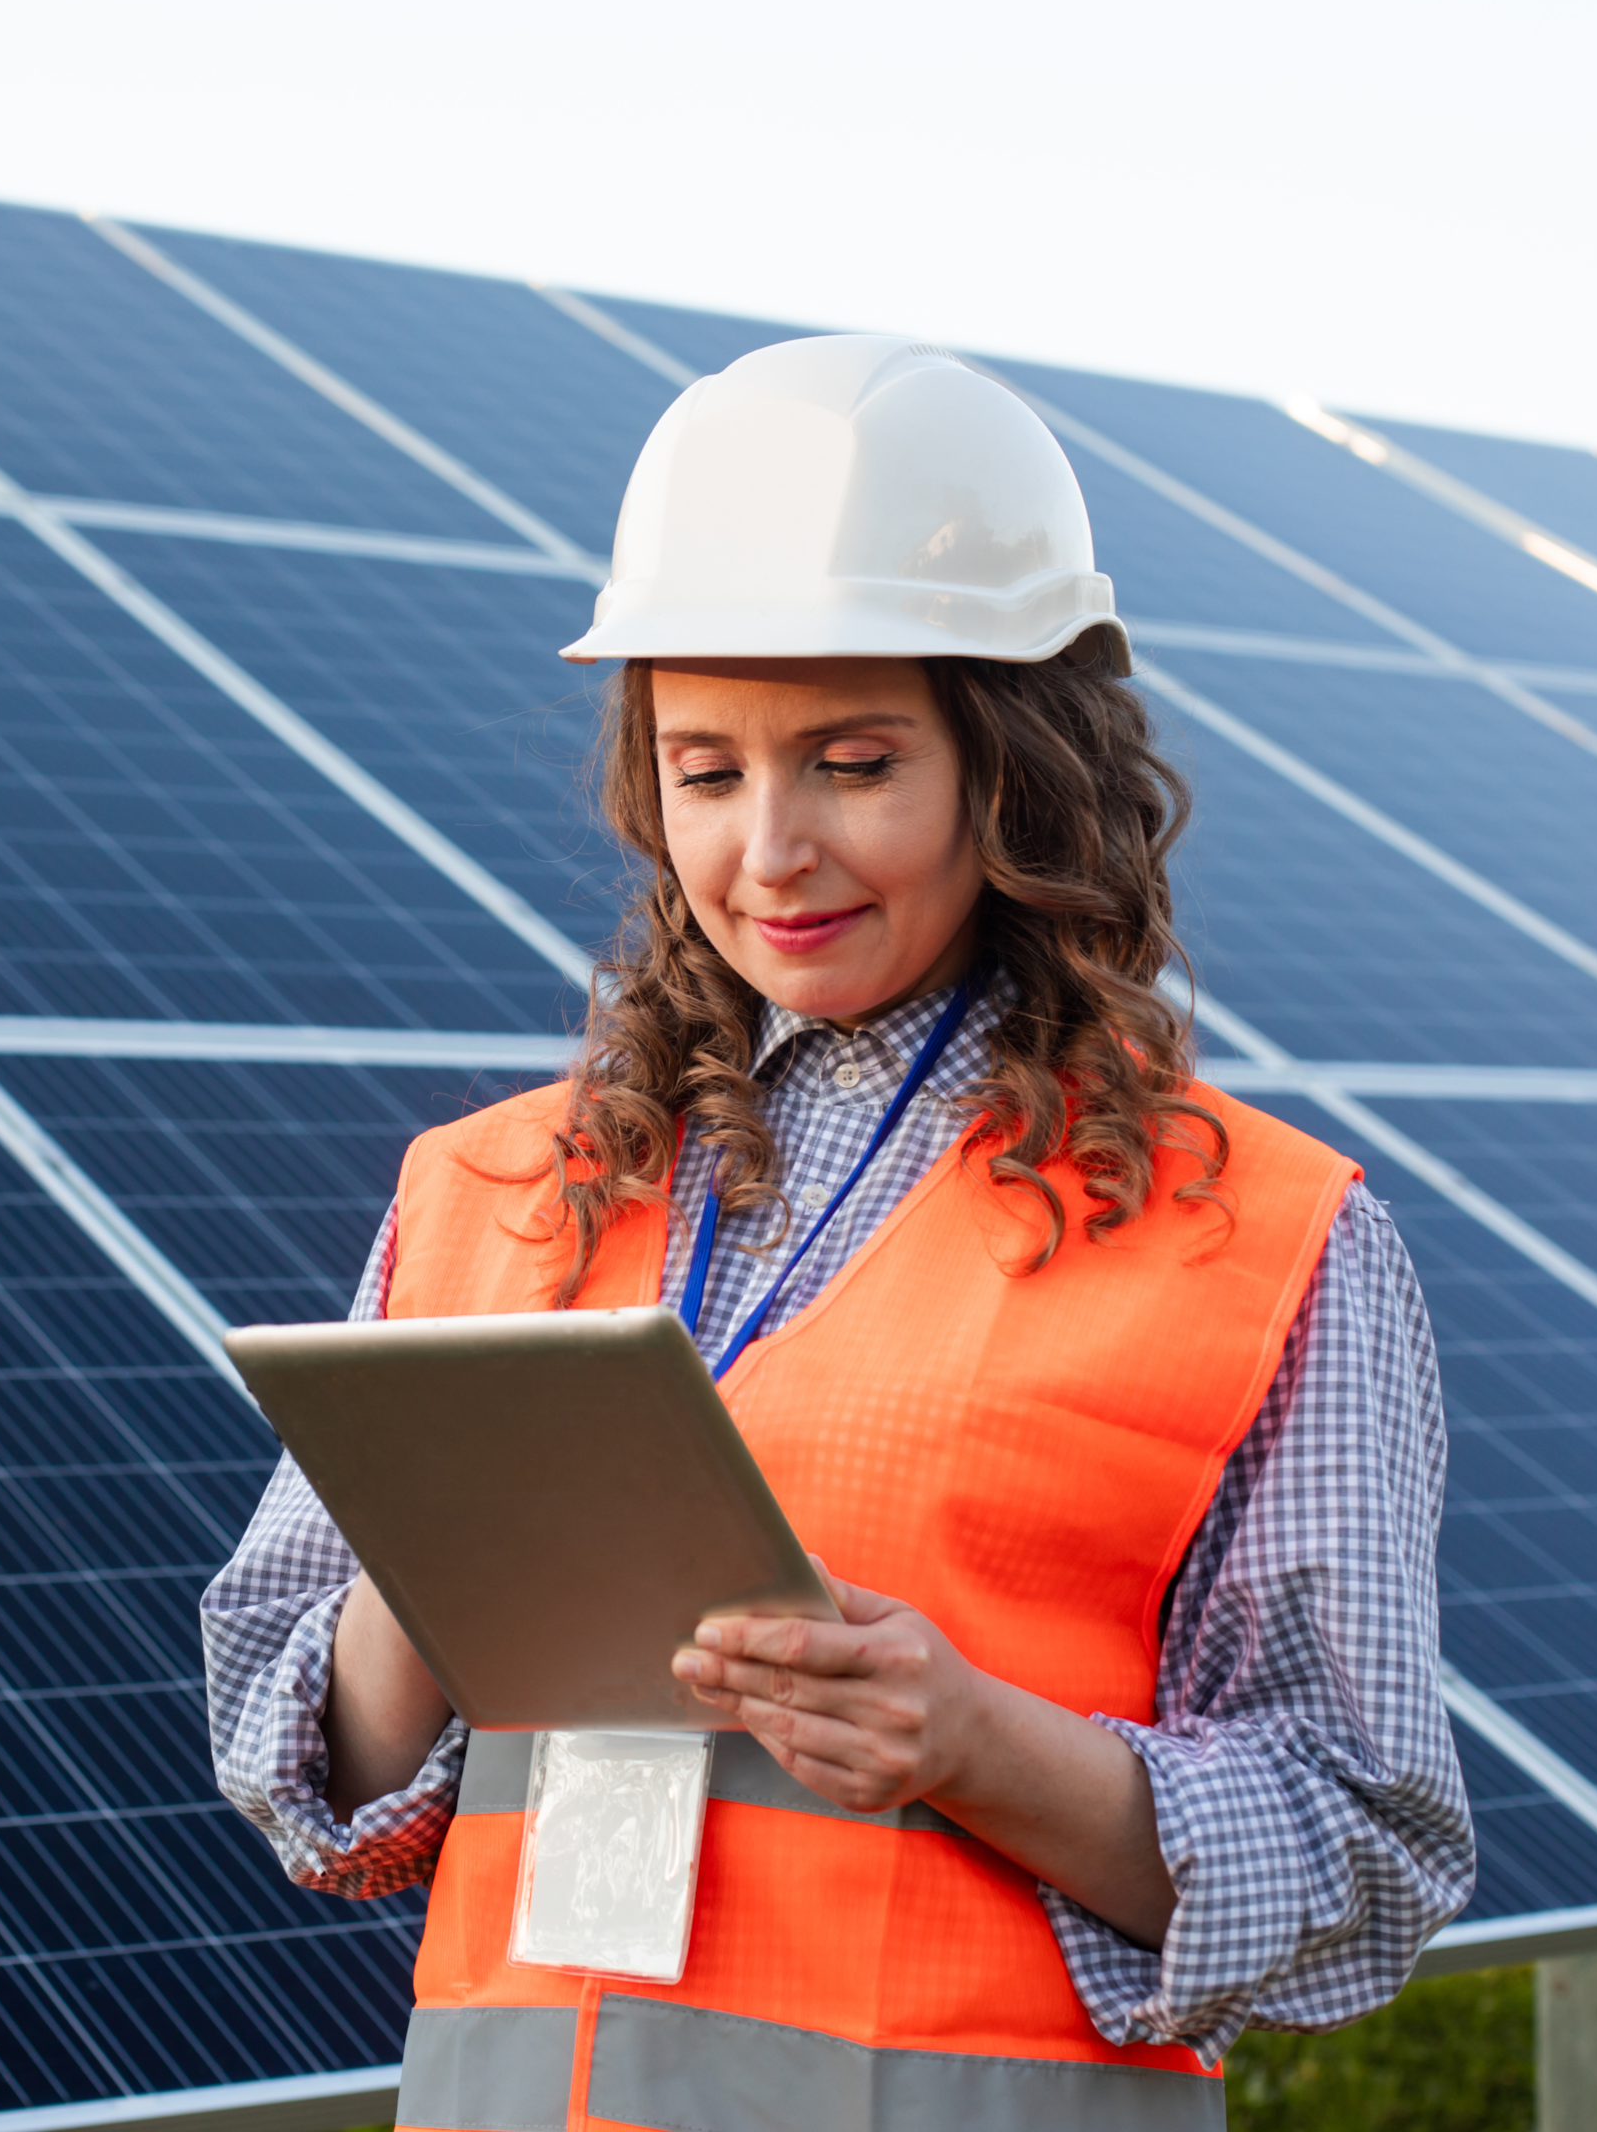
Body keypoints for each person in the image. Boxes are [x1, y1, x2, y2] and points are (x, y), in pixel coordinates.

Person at [202, 335, 1472, 2132]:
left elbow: (1365, 1854)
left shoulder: (1259, 1238)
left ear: (1014, 768)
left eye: (853, 762)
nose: (773, 849)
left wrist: (977, 1746)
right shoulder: (485, 1195)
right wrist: (444, 1570)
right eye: (706, 771)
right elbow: (297, 1756)